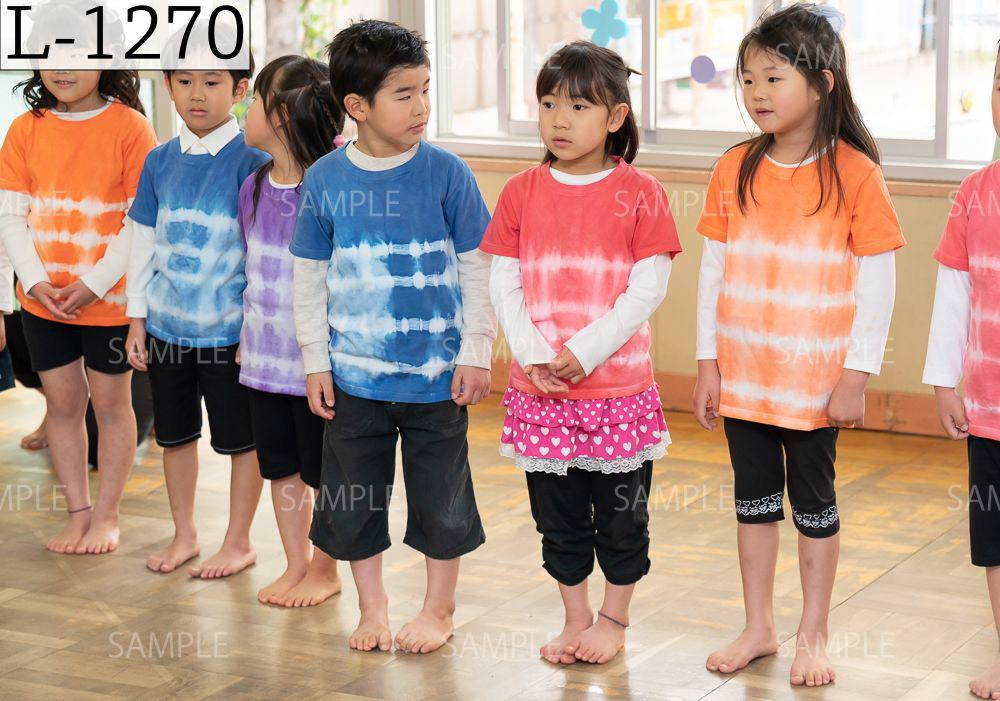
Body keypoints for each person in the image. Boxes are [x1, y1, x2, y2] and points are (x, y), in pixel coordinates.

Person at [693, 3, 905, 686]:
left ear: (822, 85)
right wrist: (707, 363)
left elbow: (878, 283)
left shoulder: (856, 173)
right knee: (753, 506)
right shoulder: (734, 167)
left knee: (814, 509)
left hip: (814, 384)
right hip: (744, 378)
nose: (756, 93)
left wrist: (856, 374)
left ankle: (813, 636)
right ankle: (758, 626)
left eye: (773, 78)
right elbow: (712, 272)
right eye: (748, 80)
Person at [291, 20, 496, 653]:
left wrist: (476, 350)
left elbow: (479, 266)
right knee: (353, 502)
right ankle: (372, 608)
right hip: (354, 380)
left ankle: (439, 609)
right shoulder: (325, 180)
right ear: (357, 106)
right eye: (404, 94)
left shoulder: (448, 173)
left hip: (437, 380)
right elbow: (308, 278)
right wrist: (316, 362)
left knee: (442, 500)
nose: (421, 106)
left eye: (425, 89)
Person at [0, 67, 157, 554]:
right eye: (53, 54)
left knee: (111, 408)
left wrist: (93, 285)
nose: (63, 68)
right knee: (62, 407)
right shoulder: (24, 129)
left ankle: (107, 517)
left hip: (109, 303)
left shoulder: (132, 127)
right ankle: (78, 514)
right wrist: (35, 282)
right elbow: (10, 215)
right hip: (43, 304)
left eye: (79, 54)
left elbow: (140, 220)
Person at [124, 55, 270, 577]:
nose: (197, 93)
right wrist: (136, 318)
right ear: (167, 86)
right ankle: (184, 534)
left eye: (212, 82)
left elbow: (262, 254)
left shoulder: (254, 161)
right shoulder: (158, 160)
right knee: (175, 435)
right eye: (184, 81)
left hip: (231, 334)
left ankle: (238, 541)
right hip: (166, 329)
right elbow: (142, 242)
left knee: (241, 441)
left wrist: (254, 329)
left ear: (240, 89)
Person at [239, 54, 345, 606]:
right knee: (280, 469)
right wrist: (245, 341)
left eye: (254, 100)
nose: (244, 109)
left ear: (280, 114)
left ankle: (326, 569)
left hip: (315, 370)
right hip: (263, 364)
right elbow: (250, 270)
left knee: (324, 474)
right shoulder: (254, 187)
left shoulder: (330, 188)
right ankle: (296, 563)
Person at [922, 41, 1000, 701]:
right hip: (991, 412)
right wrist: (943, 380)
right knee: (996, 541)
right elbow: (954, 294)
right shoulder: (975, 194)